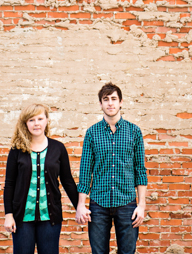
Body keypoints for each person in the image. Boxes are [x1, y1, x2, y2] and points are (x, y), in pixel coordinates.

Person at [75, 82, 148, 254]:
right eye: (105, 99)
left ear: (121, 102)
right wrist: (81, 205)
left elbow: (140, 170)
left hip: (127, 203)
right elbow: (85, 171)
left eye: (114, 99)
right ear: (100, 104)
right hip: (99, 204)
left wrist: (142, 205)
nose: (110, 103)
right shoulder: (92, 133)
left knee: (127, 252)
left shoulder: (134, 132)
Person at [3, 103, 79, 254]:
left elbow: (67, 181)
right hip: (22, 219)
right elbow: (9, 184)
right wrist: (8, 215)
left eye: (40, 119)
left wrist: (80, 207)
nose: (36, 123)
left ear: (46, 121)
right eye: (31, 120)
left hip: (50, 218)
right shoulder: (17, 150)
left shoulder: (58, 148)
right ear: (25, 123)